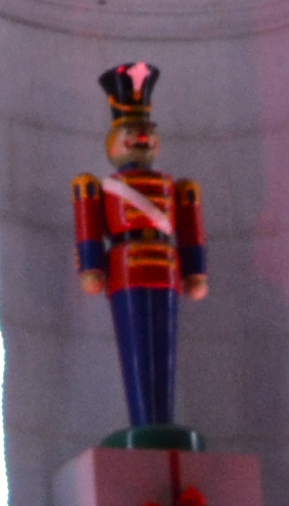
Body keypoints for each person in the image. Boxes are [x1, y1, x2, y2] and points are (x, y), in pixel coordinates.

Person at [73, 61, 207, 444]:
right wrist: (91, 267)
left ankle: (160, 420)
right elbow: (89, 228)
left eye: (146, 131)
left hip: (165, 266)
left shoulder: (177, 186)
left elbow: (191, 231)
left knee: (165, 348)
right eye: (132, 132)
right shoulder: (99, 187)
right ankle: (143, 421)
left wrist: (196, 271)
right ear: (115, 139)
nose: (142, 138)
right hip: (125, 266)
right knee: (134, 349)